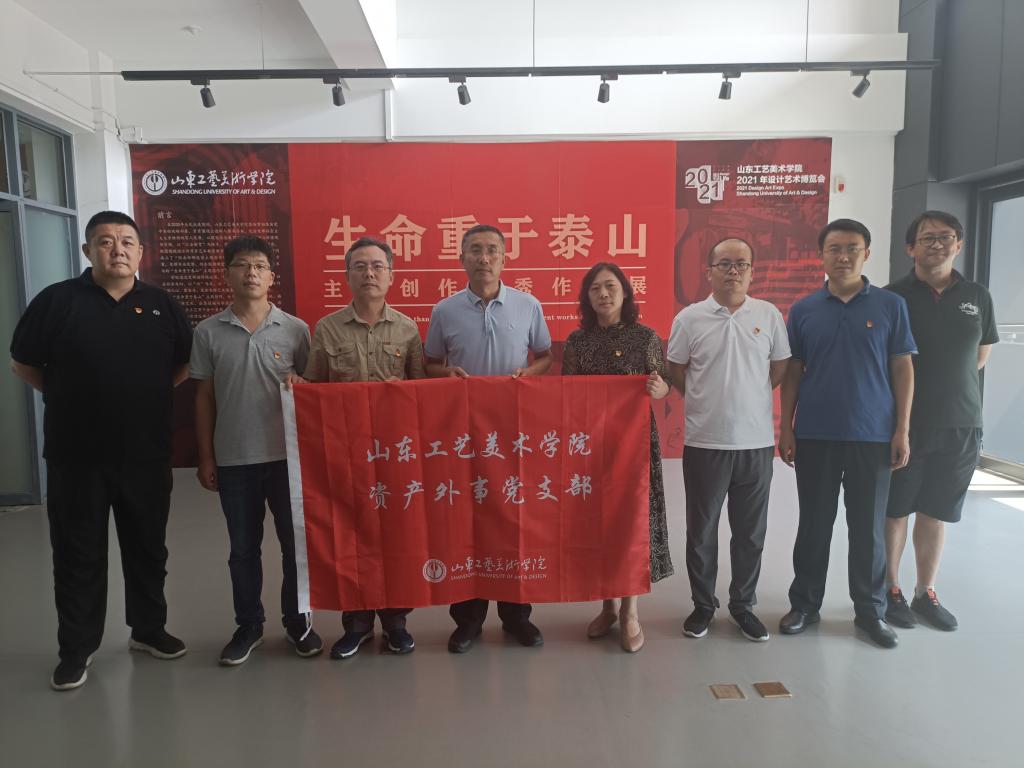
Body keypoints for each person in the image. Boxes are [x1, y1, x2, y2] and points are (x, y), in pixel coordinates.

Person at [10, 211, 192, 690]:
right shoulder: (57, 301)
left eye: (127, 241)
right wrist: (66, 394)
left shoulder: (161, 304)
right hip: (77, 457)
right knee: (78, 554)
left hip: (146, 455)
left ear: (140, 252)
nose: (118, 249)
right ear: (87, 250)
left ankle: (148, 629)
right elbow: (23, 363)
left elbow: (180, 366)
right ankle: (76, 648)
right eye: (106, 241)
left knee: (148, 548)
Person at [777, 218, 916, 649]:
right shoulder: (803, 309)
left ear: (866, 254)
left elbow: (902, 368)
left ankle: (871, 612)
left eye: (852, 248)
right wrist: (786, 426)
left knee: (868, 530)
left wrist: (902, 429)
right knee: (814, 526)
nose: (843, 256)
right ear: (821, 255)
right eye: (834, 248)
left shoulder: (891, 306)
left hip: (873, 436)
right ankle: (805, 605)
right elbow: (793, 371)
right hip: (815, 434)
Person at [191, 235, 323, 665]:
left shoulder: (296, 329)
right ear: (227, 274)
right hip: (235, 460)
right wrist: (206, 457)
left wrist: (303, 384)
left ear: (271, 277)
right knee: (242, 550)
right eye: (242, 265)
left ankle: (298, 623)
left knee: (295, 547)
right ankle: (248, 626)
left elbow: (313, 390)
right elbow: (203, 397)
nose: (251, 273)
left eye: (260, 266)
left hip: (288, 459)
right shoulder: (208, 332)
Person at [424, 223, 553, 654]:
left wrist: (527, 374)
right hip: (462, 436)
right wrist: (447, 374)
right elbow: (429, 364)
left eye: (492, 250)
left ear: (504, 257)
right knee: (465, 524)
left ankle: (517, 617)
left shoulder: (528, 305)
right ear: (461, 258)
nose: (484, 257)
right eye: (475, 250)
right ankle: (468, 620)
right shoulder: (444, 310)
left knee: (513, 521)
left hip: (513, 436)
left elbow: (545, 356)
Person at [302, 236, 425, 659]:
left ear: (391, 275)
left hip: (394, 455)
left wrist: (402, 393)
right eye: (360, 266)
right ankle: (355, 624)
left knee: (395, 537)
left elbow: (422, 394)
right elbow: (313, 389)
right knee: (349, 536)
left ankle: (395, 622)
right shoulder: (327, 328)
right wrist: (297, 387)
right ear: (347, 276)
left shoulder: (408, 329)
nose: (369, 273)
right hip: (345, 454)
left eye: (377, 266)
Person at [667, 238, 790, 643]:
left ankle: (743, 606)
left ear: (752, 271)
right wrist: (706, 401)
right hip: (706, 442)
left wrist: (750, 397)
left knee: (750, 533)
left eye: (742, 264)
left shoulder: (768, 315)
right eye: (724, 264)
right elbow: (677, 370)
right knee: (701, 531)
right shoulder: (689, 318)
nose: (733, 271)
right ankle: (703, 605)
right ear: (709, 271)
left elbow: (778, 368)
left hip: (755, 443)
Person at [883, 211, 998, 631]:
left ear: (959, 245)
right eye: (927, 237)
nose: (937, 244)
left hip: (961, 424)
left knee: (936, 512)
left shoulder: (977, 296)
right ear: (910, 247)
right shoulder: (893, 296)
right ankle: (890, 590)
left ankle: (924, 592)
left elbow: (979, 356)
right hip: (904, 425)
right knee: (896, 510)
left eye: (946, 237)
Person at [563, 262, 673, 653]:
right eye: (595, 288)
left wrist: (659, 389)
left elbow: (662, 384)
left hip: (635, 446)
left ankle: (630, 611)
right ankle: (607, 607)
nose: (604, 294)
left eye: (611, 286)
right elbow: (567, 394)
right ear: (586, 297)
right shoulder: (577, 341)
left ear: (625, 293)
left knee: (631, 521)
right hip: (591, 446)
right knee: (599, 522)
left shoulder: (645, 337)